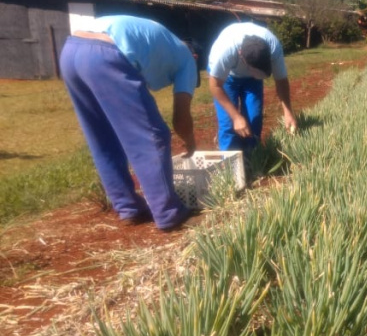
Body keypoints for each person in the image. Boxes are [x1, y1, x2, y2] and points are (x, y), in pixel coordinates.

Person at [60, 15, 199, 231]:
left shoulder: (164, 42)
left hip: (71, 51)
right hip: (105, 54)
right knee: (153, 136)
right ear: (196, 55)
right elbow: (180, 118)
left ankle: (128, 207)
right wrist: (191, 142)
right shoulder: (188, 60)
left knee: (102, 137)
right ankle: (169, 213)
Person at [207, 22, 297, 151]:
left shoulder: (273, 47)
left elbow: (281, 81)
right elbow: (215, 86)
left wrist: (288, 112)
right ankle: (230, 166)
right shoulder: (225, 52)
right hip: (226, 77)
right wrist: (236, 117)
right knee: (229, 124)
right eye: (257, 73)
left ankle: (252, 161)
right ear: (243, 58)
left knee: (254, 120)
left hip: (251, 80)